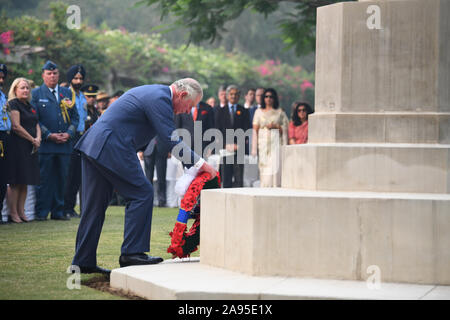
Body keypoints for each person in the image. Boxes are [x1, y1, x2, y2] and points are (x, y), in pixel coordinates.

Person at [71, 78, 216, 274]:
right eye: (189, 106)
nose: (186, 111)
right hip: (112, 145)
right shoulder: (160, 98)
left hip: (96, 145)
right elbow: (170, 138)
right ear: (182, 95)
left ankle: (83, 261)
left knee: (93, 207)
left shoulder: (155, 94)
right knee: (142, 193)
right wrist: (201, 164)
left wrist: (191, 166)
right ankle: (132, 253)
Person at [32, 60, 79, 221]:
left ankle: (58, 211)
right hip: (47, 145)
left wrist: (69, 133)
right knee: (45, 180)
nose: (52, 76)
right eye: (49, 73)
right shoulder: (36, 94)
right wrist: (48, 134)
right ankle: (42, 212)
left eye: (55, 73)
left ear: (59, 75)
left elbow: (75, 117)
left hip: (65, 145)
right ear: (43, 75)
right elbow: (35, 119)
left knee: (62, 180)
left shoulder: (66, 93)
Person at [6, 78, 41, 223]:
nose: (25, 90)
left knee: (25, 181)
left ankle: (22, 212)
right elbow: (16, 126)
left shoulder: (29, 105)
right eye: (22, 88)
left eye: (27, 88)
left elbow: (36, 123)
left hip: (30, 147)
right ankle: (13, 212)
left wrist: (38, 138)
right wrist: (32, 139)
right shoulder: (13, 104)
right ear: (15, 90)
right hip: (18, 146)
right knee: (15, 181)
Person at [214, 84, 251, 188]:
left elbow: (247, 130)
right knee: (226, 177)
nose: (233, 96)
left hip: (239, 149)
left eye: (236, 94)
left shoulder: (244, 111)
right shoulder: (220, 111)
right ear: (227, 95)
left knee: (239, 178)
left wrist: (238, 145)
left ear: (239, 96)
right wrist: (225, 145)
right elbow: (217, 131)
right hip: (225, 149)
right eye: (231, 94)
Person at [251, 88, 289, 187]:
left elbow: (286, 128)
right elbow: (255, 130)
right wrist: (254, 148)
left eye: (271, 97)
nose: (269, 99)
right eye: (266, 96)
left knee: (275, 166)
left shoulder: (280, 112)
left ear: (274, 99)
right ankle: (265, 188)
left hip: (276, 143)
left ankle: (276, 187)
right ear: (263, 98)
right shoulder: (258, 112)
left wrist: (277, 126)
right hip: (263, 143)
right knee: (264, 167)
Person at [64, 64, 87, 218]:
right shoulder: (66, 95)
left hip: (82, 136)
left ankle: (71, 207)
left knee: (78, 175)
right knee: (69, 174)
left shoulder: (82, 96)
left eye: (80, 78)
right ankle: (65, 207)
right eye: (75, 78)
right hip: (69, 137)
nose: (78, 81)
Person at [142, 137, 169, 207]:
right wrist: (140, 150)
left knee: (161, 178)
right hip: (147, 149)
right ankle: (148, 200)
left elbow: (167, 133)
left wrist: (169, 149)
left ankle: (162, 201)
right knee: (148, 179)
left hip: (162, 149)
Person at [0, 64, 11, 224]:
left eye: (2, 76)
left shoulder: (2, 95)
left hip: (4, 137)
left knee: (3, 178)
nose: (1, 79)